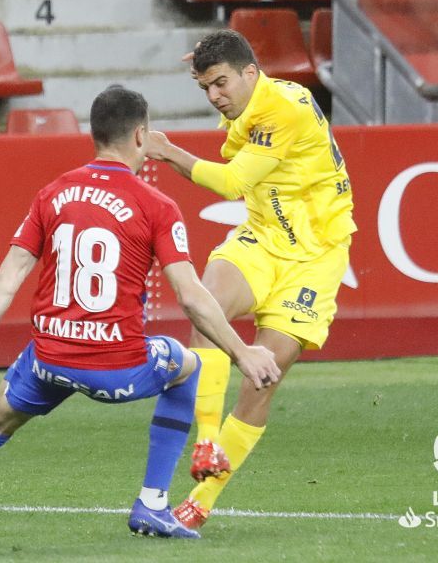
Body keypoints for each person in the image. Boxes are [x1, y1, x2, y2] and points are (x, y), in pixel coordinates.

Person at [0, 85, 280, 540]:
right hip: (114, 367)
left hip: (50, 359)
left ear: (94, 134)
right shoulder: (156, 205)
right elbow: (191, 296)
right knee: (188, 364)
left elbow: (7, 277)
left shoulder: (53, 193)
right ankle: (153, 504)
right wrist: (243, 353)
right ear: (140, 136)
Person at [147, 29, 357, 528]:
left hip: (316, 256)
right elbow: (239, 166)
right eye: (205, 89)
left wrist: (168, 150)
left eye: (221, 83)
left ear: (250, 72)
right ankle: (204, 440)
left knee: (263, 377)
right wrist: (216, 55)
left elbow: (233, 181)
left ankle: (201, 501)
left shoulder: (282, 108)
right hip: (263, 237)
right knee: (206, 305)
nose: (215, 96)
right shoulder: (246, 104)